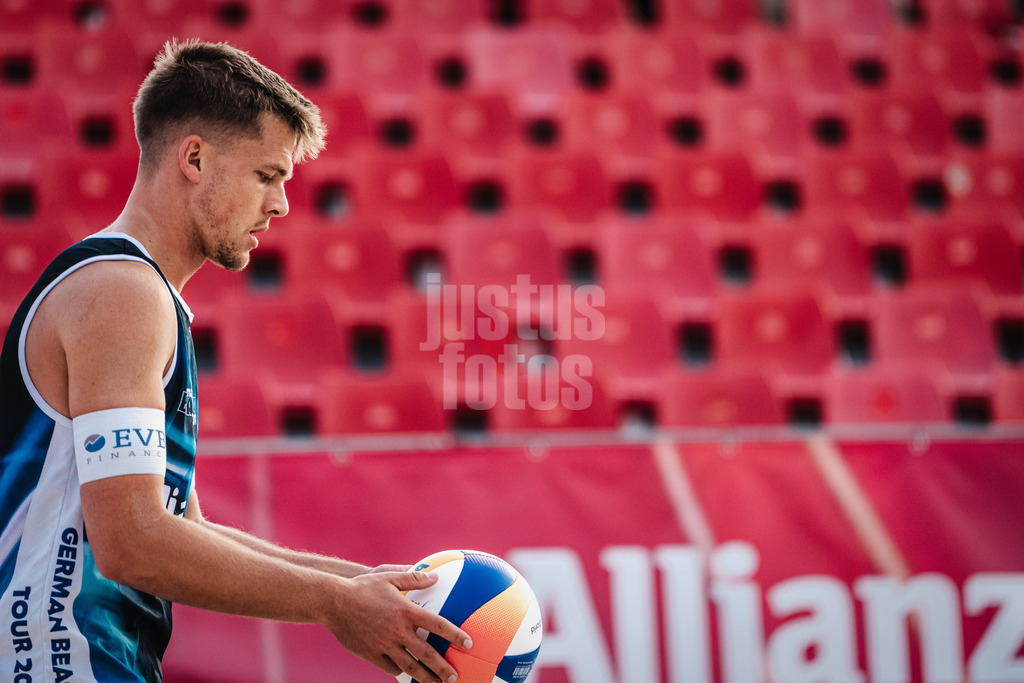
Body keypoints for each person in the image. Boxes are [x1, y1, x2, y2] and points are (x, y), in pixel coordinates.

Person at [0, 39, 470, 683]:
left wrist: (366, 588)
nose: (279, 204)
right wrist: (335, 605)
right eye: (267, 175)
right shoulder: (122, 292)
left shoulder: (142, 294)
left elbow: (178, 527)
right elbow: (132, 541)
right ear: (195, 157)